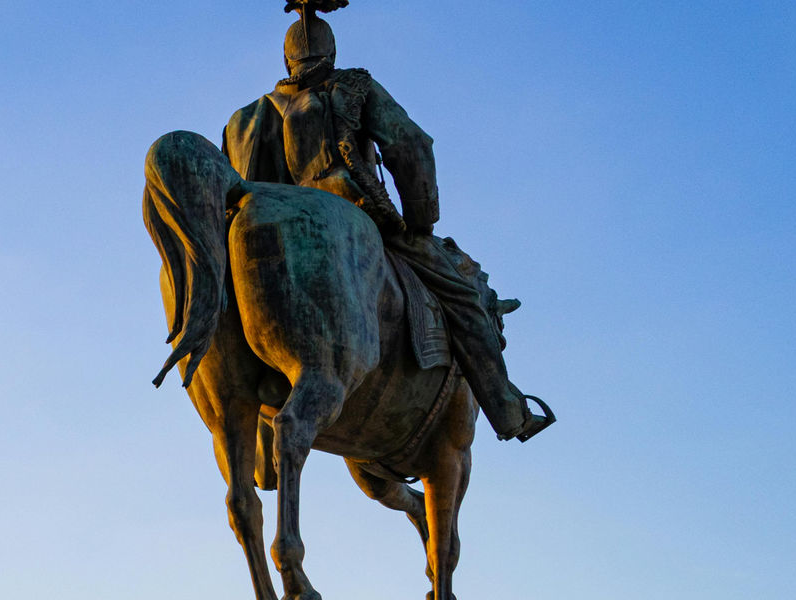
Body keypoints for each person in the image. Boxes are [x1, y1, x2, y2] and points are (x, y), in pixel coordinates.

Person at [222, 8, 554, 443]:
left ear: (288, 60)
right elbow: (411, 146)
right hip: (350, 207)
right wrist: (419, 222)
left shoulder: (241, 120)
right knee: (464, 297)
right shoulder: (351, 86)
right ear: (332, 53)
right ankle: (509, 411)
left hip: (251, 244)